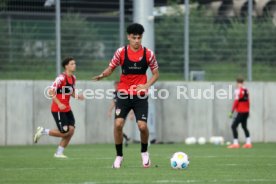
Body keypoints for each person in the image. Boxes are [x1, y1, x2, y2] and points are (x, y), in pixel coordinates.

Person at [93, 23, 159, 168]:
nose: (136, 40)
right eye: (134, 37)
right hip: (123, 93)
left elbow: (156, 74)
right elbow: (111, 68)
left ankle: (144, 152)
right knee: (118, 124)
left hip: (140, 95)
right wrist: (103, 75)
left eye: (139, 38)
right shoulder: (121, 52)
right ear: (128, 37)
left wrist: (147, 85)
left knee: (142, 126)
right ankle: (119, 156)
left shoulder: (148, 54)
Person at [34, 57, 84, 158]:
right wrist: (59, 103)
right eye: (72, 64)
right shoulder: (61, 78)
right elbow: (50, 91)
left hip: (67, 109)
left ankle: (59, 153)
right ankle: (43, 131)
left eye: (74, 63)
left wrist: (78, 96)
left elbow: (71, 92)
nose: (74, 65)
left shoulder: (73, 78)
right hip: (58, 109)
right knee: (64, 132)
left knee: (71, 131)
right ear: (66, 66)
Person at [228, 77, 252, 149]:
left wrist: (231, 111)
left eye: (239, 83)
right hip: (246, 112)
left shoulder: (237, 91)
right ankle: (248, 143)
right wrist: (248, 110)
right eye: (238, 83)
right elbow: (248, 102)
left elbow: (236, 102)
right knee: (244, 127)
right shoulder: (246, 90)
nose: (238, 84)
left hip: (241, 112)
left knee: (233, 126)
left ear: (240, 83)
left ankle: (236, 144)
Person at [107, 81, 133, 147]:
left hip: (124, 112)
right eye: (115, 86)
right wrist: (110, 111)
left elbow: (130, 104)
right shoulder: (115, 93)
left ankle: (122, 141)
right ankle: (125, 138)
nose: (116, 87)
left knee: (119, 128)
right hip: (117, 112)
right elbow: (113, 102)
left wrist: (131, 113)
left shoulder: (124, 93)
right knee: (117, 128)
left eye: (117, 86)